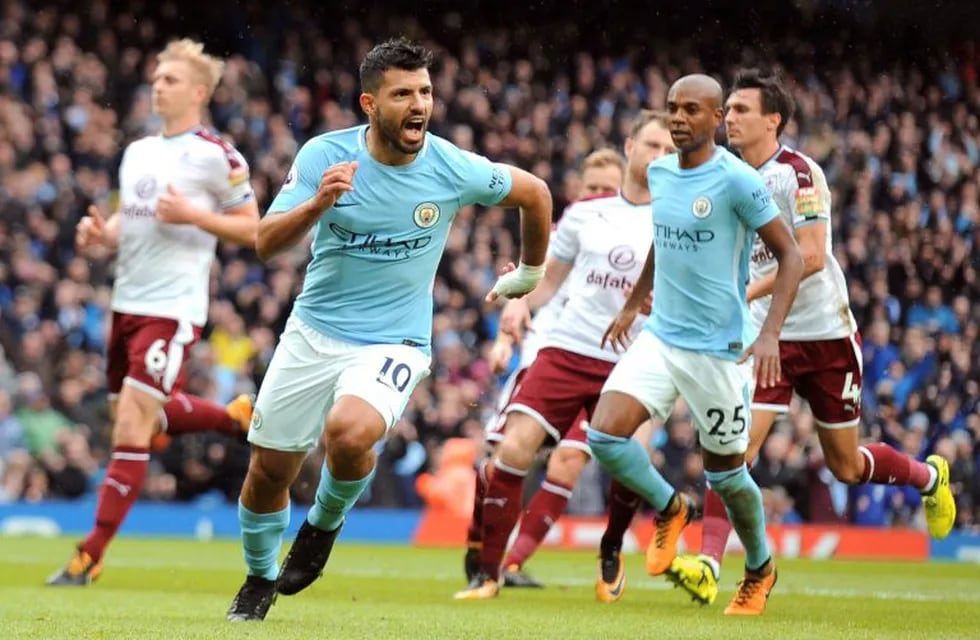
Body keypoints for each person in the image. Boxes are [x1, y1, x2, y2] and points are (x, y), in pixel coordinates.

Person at [224, 38, 552, 622]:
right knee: (268, 472)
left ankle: (323, 524)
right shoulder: (325, 156)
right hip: (313, 330)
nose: (419, 104)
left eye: (425, 91)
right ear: (369, 104)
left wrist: (529, 274)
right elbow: (265, 243)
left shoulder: (452, 166)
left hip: (394, 340)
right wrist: (317, 204)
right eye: (403, 93)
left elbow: (535, 193)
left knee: (350, 433)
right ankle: (258, 577)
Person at [666, 69, 956, 605]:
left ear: (773, 119)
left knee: (845, 466)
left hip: (821, 334)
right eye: (726, 110)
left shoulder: (797, 174)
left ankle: (927, 478)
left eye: (741, 110)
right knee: (733, 448)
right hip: (761, 338)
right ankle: (709, 561)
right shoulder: (718, 174)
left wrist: (745, 294)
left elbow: (814, 255)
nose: (729, 118)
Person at [585, 73, 805, 617]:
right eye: (671, 109)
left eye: (691, 110)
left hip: (719, 349)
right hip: (663, 336)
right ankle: (670, 508)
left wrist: (770, 331)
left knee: (727, 476)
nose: (679, 118)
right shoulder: (661, 173)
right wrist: (637, 301)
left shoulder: (736, 181)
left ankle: (759, 567)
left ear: (715, 120)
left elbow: (793, 256)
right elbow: (663, 240)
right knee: (605, 436)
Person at [47, 39, 260, 586]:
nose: (157, 85)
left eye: (169, 78)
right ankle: (232, 417)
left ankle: (90, 553)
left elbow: (254, 227)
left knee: (134, 421)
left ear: (198, 91)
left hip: (172, 307)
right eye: (156, 76)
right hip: (126, 305)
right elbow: (128, 222)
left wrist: (194, 214)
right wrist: (100, 236)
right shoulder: (138, 151)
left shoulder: (217, 154)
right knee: (145, 414)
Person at [453, 110, 673, 601]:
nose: (659, 157)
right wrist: (517, 302)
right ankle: (489, 572)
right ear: (630, 144)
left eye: (669, 151)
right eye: (652, 146)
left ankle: (611, 549)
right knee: (511, 452)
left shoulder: (676, 217)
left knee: (628, 462)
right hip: (566, 347)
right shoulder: (584, 214)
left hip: (631, 360)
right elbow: (547, 279)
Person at [466, 147, 628, 589]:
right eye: (591, 188)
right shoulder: (564, 233)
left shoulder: (635, 237)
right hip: (544, 356)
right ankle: (479, 549)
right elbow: (527, 285)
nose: (598, 196)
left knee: (570, 460)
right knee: (501, 458)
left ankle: (513, 563)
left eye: (607, 189)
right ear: (579, 190)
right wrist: (503, 340)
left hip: (603, 364)